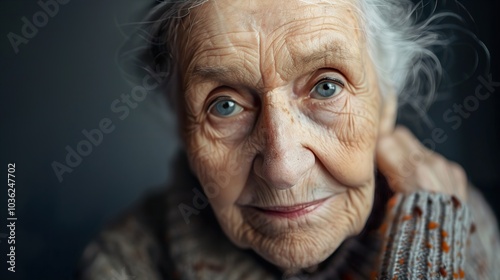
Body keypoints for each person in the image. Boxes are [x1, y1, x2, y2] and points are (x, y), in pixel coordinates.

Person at [76, 0, 500, 279]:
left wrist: (428, 241)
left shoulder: (461, 225)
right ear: (183, 128)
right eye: (224, 105)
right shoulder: (125, 265)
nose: (282, 169)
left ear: (386, 103)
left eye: (327, 87)